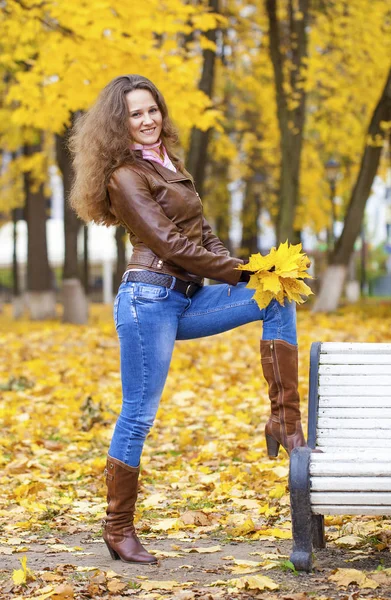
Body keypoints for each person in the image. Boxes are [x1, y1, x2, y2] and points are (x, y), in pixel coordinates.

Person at [69, 74, 306, 565]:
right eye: (135, 113)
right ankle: (118, 528)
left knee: (276, 293)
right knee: (138, 414)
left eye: (152, 109)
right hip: (148, 302)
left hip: (188, 297)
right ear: (120, 123)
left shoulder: (170, 163)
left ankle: (283, 419)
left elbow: (203, 236)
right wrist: (243, 271)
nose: (147, 119)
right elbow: (171, 245)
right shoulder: (124, 177)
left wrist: (252, 274)